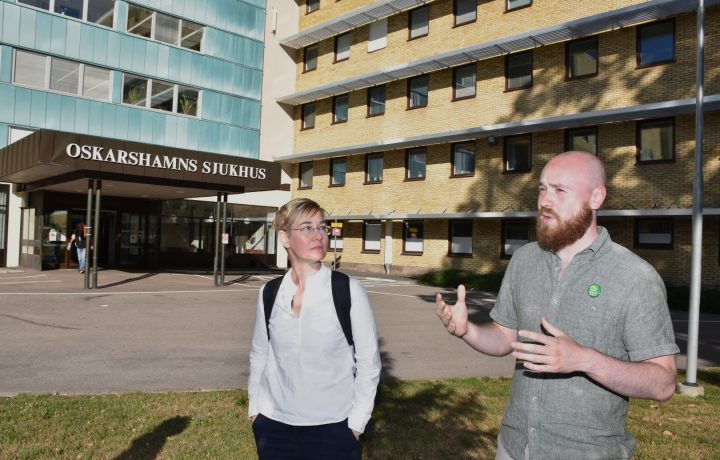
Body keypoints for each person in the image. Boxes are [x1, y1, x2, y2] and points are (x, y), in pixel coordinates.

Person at [436, 151, 679, 459]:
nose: (544, 201)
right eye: (542, 188)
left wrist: (583, 359)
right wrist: (467, 330)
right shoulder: (524, 260)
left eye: (559, 190)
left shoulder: (636, 277)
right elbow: (504, 337)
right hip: (514, 447)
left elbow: (663, 383)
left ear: (596, 197)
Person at [248, 198, 382, 460]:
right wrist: (255, 410)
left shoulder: (347, 291)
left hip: (333, 429)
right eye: (307, 228)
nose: (319, 235)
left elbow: (369, 363)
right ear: (285, 237)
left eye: (322, 227)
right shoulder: (270, 293)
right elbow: (259, 353)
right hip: (274, 427)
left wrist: (356, 424)